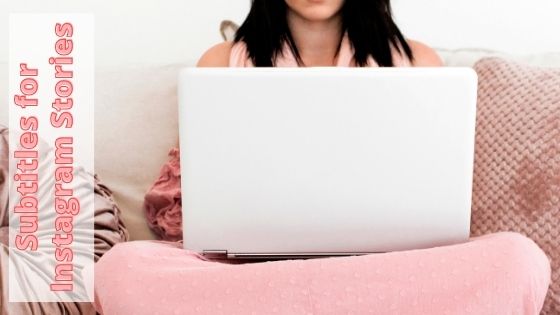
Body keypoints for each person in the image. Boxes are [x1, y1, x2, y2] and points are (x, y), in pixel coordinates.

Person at [94, 1, 551, 314]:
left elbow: (438, 195)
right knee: (123, 269)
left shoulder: (418, 62)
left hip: (385, 269)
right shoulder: (221, 61)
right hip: (249, 273)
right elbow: (182, 211)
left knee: (519, 258)